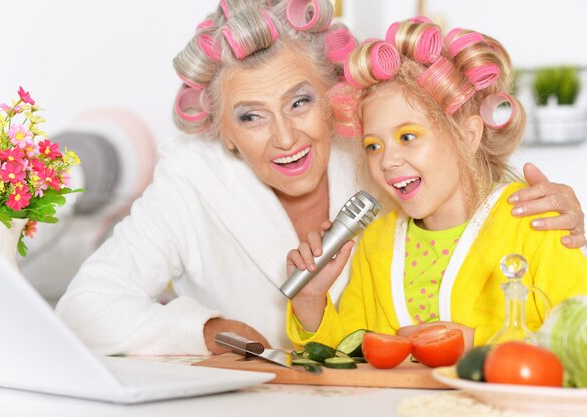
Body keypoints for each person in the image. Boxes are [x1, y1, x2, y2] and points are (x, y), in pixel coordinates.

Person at [56, 1, 586, 356]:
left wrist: (562, 216)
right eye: (250, 116)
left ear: (334, 100)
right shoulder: (192, 180)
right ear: (223, 132)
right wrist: (206, 331)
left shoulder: (375, 150)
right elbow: (86, 306)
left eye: (300, 102)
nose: (285, 138)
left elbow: (464, 173)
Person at [285, 17, 587, 351]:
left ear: (468, 135)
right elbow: (350, 353)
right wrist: (310, 302)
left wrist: (478, 342)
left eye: (407, 136)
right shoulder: (376, 243)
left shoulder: (535, 218)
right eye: (374, 145)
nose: (386, 161)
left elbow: (578, 335)